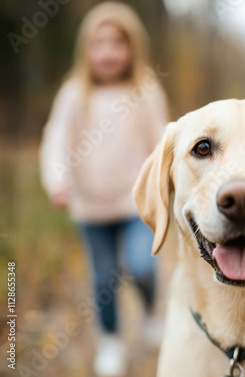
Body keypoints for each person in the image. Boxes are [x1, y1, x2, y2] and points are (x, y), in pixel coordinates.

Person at [39, 2, 168, 376]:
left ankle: (148, 312)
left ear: (132, 48)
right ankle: (110, 340)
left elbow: (161, 142)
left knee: (142, 266)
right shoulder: (74, 94)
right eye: (99, 44)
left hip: (135, 203)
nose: (108, 53)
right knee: (105, 277)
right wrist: (57, 179)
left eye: (117, 43)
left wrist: (168, 181)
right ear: (86, 50)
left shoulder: (144, 91)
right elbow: (55, 141)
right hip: (90, 206)